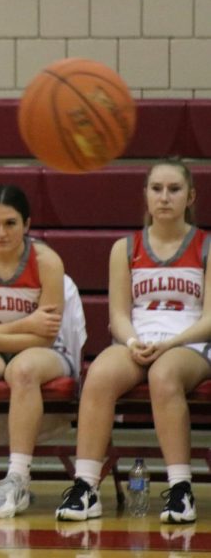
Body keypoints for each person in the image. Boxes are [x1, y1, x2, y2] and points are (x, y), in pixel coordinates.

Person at [56, 159, 211, 524]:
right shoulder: (125, 247)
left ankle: (180, 489)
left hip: (190, 344)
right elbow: (119, 315)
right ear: (145, 195)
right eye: (156, 189)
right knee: (98, 375)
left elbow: (209, 319)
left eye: (174, 189)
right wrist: (131, 341)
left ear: (191, 196)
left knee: (164, 376)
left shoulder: (205, 246)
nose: (164, 197)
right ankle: (85, 487)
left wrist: (171, 343)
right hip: (139, 342)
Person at [0, 184, 85, 518]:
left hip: (44, 351)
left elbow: (44, 338)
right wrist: (24, 324)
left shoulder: (47, 261)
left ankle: (18, 477)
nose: (1, 232)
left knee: (22, 370)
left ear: (27, 224)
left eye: (10, 223)